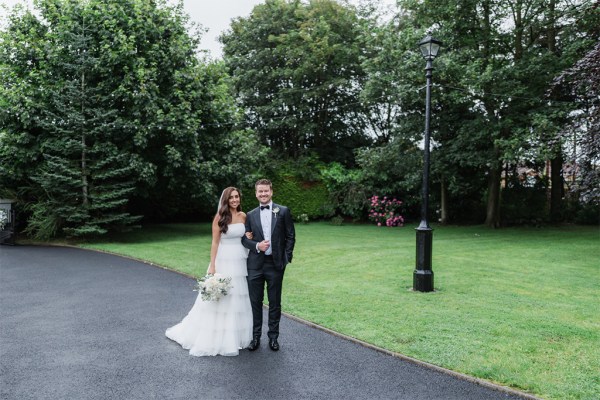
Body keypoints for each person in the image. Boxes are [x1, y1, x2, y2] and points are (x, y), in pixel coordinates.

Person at [165, 187, 253, 356]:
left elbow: (245, 237)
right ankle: (215, 337)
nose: (235, 200)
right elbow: (215, 243)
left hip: (240, 261)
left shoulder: (244, 216)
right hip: (223, 260)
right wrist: (213, 266)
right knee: (221, 299)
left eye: (237, 197)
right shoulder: (220, 217)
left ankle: (236, 337)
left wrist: (248, 237)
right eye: (231, 198)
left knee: (237, 298)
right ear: (226, 200)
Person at [242, 179, 296, 351]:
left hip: (275, 264)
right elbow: (244, 239)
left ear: (271, 192)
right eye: (260, 192)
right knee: (255, 302)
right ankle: (255, 337)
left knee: (275, 303)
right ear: (256, 193)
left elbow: (290, 236)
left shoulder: (283, 211)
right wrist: (257, 245)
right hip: (255, 265)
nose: (263, 194)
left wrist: (285, 258)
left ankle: (273, 337)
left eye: (266, 191)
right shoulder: (250, 215)